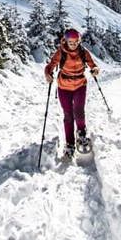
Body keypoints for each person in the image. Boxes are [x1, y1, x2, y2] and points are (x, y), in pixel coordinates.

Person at [44, 28, 100, 158]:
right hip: (64, 87)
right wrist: (48, 74)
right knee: (68, 115)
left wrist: (95, 69)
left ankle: (81, 133)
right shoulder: (61, 52)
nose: (73, 44)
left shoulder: (83, 52)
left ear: (79, 41)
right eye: (71, 42)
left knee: (79, 112)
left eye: (76, 42)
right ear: (66, 41)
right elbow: (50, 66)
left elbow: (92, 65)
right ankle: (69, 143)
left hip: (80, 85)